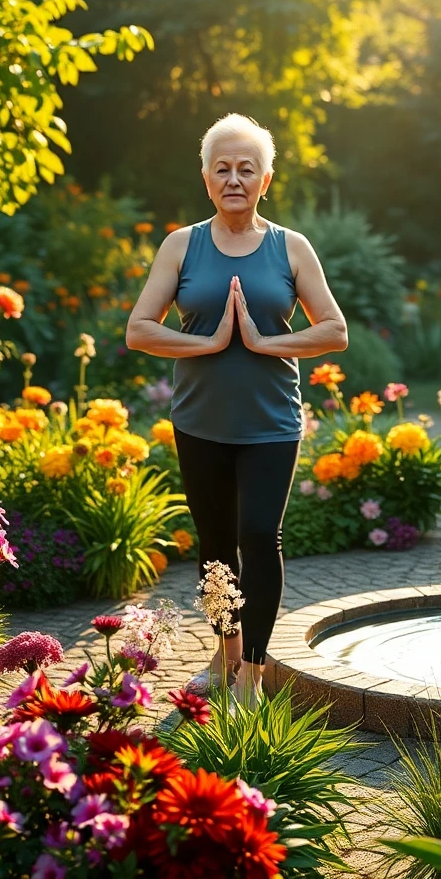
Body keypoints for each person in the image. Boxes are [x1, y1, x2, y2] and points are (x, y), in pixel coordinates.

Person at [126, 113, 348, 707]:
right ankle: (221, 655)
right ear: (206, 179)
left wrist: (265, 342)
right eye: (221, 168)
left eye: (246, 169)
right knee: (215, 543)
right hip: (200, 420)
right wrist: (206, 343)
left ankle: (252, 671)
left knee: (258, 534)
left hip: (271, 420)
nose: (233, 178)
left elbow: (335, 330)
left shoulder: (289, 247)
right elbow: (139, 329)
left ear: (266, 179)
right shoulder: (182, 245)